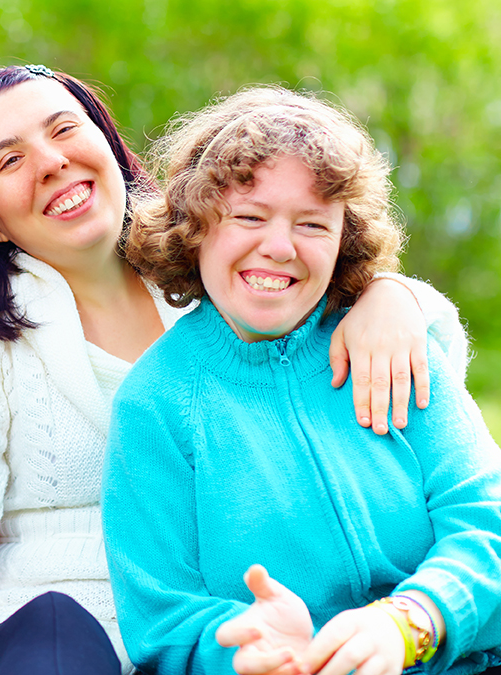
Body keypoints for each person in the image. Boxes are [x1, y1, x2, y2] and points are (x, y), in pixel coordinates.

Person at [0, 65, 466, 675]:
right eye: (9, 161)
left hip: (228, 615)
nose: (50, 161)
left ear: (107, 143)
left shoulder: (214, 263)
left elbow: (404, 344)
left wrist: (391, 294)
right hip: (48, 627)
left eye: (64, 129)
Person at [103, 86, 501, 675]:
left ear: (345, 238)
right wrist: (246, 649)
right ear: (196, 227)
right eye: (249, 216)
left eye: (313, 223)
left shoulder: (391, 346)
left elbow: (486, 519)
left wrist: (411, 621)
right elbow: (162, 621)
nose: (280, 247)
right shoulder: (154, 404)